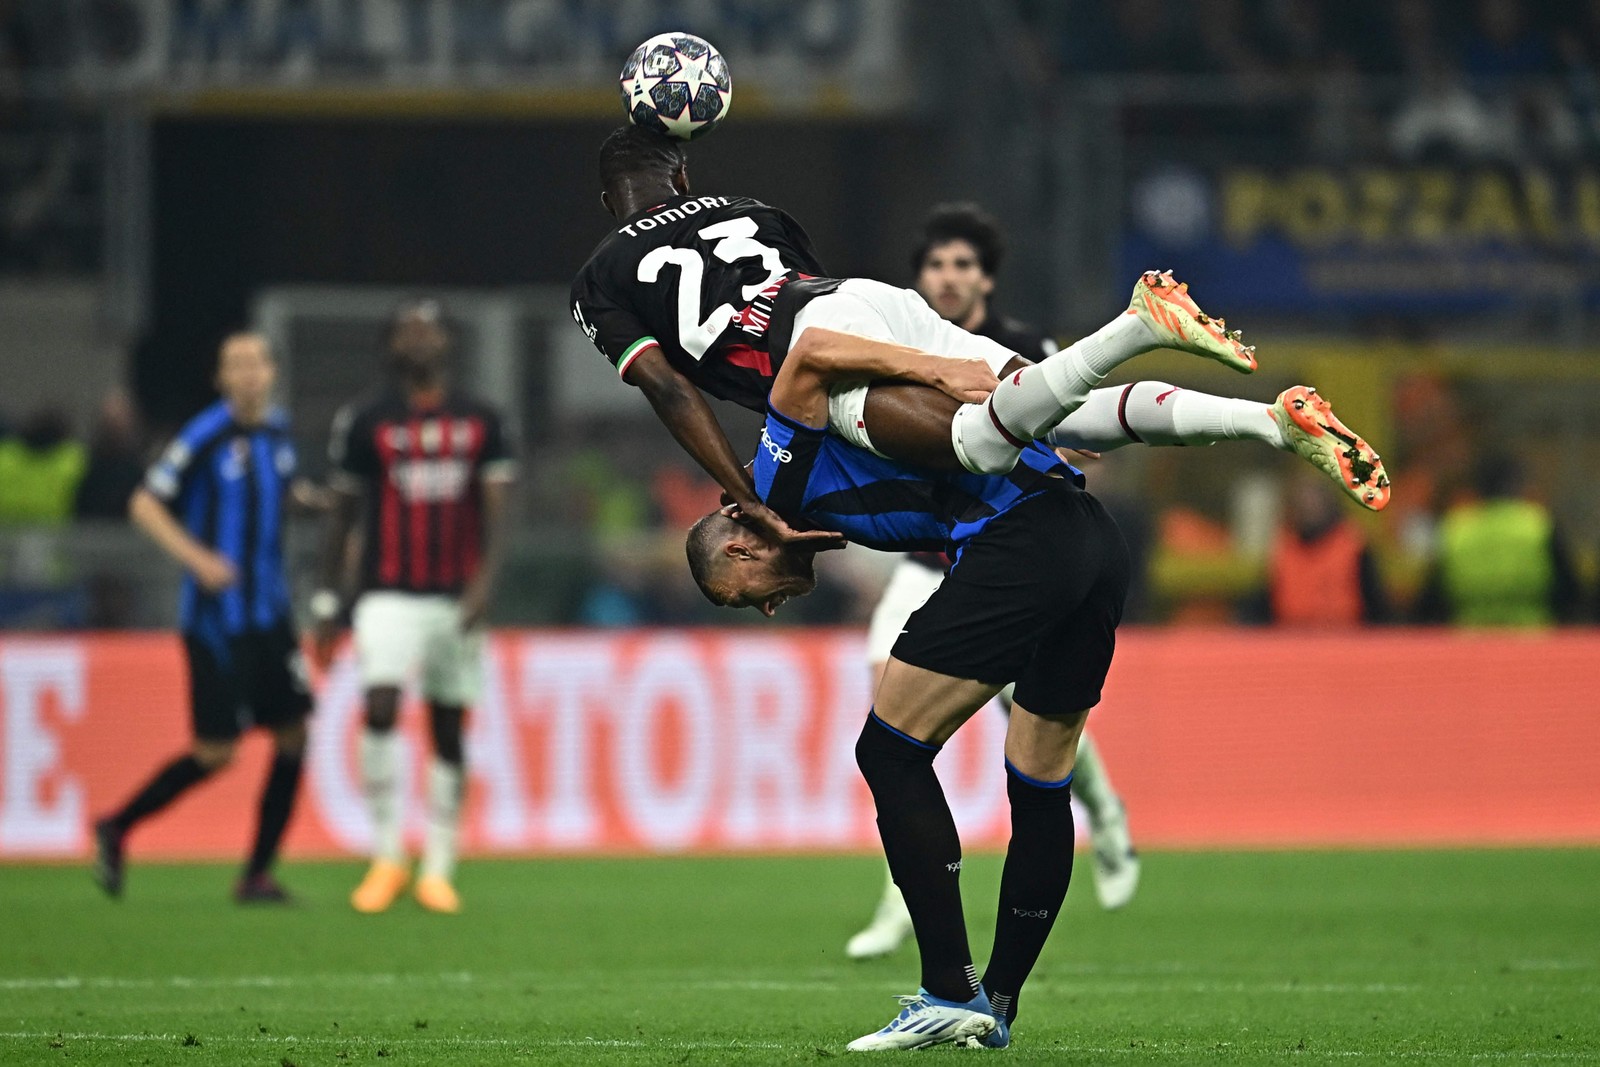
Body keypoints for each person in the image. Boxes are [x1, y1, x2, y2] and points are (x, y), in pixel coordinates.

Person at [684, 322, 1389, 1051]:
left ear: (740, 542)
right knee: (1040, 776)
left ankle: (946, 991)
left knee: (890, 752)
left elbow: (811, 353)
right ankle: (997, 1004)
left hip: (1021, 544)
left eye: (744, 594)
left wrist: (937, 366)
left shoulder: (772, 481)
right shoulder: (826, 509)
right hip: (1091, 537)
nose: (767, 606)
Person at [846, 205, 1139, 962]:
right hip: (924, 555)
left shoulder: (1023, 351)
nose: (949, 277)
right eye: (937, 264)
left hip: (1006, 549)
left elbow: (1081, 421)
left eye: (963, 265)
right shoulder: (898, 340)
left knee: (1029, 716)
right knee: (894, 722)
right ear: (919, 278)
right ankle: (899, 902)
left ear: (986, 278)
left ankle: (1102, 811)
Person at [92, 333, 313, 903]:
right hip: (217, 622)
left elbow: (280, 493)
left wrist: (316, 500)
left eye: (255, 363)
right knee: (217, 753)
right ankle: (117, 826)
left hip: (272, 614)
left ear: (271, 372)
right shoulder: (204, 436)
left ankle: (257, 873)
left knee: (294, 735)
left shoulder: (278, 433)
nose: (246, 374)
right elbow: (144, 503)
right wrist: (197, 560)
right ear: (220, 379)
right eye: (234, 365)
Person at [313, 299, 515, 916]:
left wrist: (484, 583)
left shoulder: (483, 419)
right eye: (407, 330)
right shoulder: (365, 419)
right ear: (390, 346)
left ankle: (438, 866)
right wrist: (326, 602)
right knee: (379, 704)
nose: (420, 340)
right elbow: (341, 516)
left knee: (448, 727)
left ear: (448, 343)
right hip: (387, 592)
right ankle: (385, 855)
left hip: (456, 595)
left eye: (429, 330)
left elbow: (498, 513)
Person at [1414, 454, 1581, 626]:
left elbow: (1430, 600)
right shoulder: (1539, 525)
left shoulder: (1454, 530)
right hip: (1534, 640)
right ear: (1518, 484)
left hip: (1467, 642)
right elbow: (1570, 592)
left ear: (1476, 487)